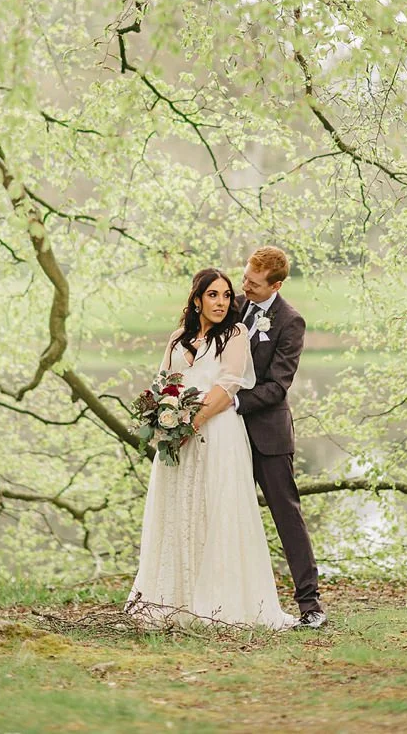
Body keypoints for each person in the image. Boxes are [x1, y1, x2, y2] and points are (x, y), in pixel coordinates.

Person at [126, 267, 296, 628]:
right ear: (197, 299)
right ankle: (172, 601)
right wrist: (162, 417)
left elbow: (228, 385)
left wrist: (191, 423)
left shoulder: (234, 334)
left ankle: (218, 605)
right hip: (177, 442)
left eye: (225, 295)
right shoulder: (176, 339)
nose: (221, 302)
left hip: (217, 436)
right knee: (177, 511)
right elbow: (163, 382)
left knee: (212, 511)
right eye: (212, 295)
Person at [232, 246, 326, 628]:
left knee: (287, 517)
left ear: (277, 284)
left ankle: (311, 604)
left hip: (268, 437)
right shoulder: (232, 305)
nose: (244, 287)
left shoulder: (290, 322)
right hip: (227, 437)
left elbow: (277, 386)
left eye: (253, 284)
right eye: (245, 278)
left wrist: (231, 403)